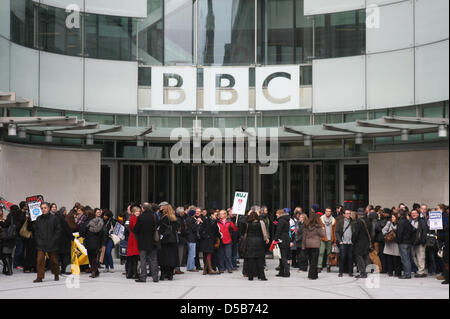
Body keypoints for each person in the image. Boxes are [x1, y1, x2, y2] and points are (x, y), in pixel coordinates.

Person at [33, 202, 61, 283]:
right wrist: (38, 240)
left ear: (48, 208)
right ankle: (40, 277)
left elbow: (58, 231)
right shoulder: (38, 219)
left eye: (45, 208)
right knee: (39, 260)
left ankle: (56, 274)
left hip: (52, 243)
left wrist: (54, 240)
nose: (43, 210)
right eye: (42, 208)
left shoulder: (54, 218)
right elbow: (36, 231)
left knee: (54, 260)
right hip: (41, 243)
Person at [134, 203, 159, 283]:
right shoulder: (154, 216)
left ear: (143, 209)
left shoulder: (141, 217)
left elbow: (136, 229)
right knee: (154, 259)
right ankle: (155, 277)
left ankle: (143, 277)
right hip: (153, 241)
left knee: (143, 260)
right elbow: (157, 226)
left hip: (143, 241)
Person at [244, 211, 269, 281]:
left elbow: (245, 232)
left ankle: (250, 276)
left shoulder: (247, 224)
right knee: (260, 260)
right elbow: (264, 233)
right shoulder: (261, 222)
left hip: (250, 242)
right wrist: (266, 239)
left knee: (250, 260)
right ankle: (262, 276)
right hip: (259, 242)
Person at [80, 207, 104, 278]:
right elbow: (101, 232)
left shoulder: (85, 223)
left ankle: (94, 271)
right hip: (96, 242)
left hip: (88, 242)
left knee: (91, 257)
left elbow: (81, 234)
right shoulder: (97, 222)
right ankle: (96, 271)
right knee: (94, 257)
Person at [0, 205, 24, 276]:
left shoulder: (11, 217)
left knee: (5, 254)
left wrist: (1, 222)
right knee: (9, 254)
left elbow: (4, 225)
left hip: (8, 238)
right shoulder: (19, 217)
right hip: (14, 237)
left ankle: (9, 271)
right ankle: (7, 269)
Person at [302, 213, 326, 280]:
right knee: (314, 261)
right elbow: (323, 235)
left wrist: (303, 245)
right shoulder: (318, 226)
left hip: (308, 244)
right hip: (315, 245)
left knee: (310, 260)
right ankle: (312, 275)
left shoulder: (306, 226)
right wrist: (323, 228)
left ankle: (314, 274)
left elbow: (304, 236)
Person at [158, 204, 179, 281]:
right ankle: (170, 275)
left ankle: (163, 275)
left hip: (165, 240)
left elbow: (161, 229)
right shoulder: (174, 218)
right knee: (172, 258)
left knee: (164, 258)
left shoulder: (164, 218)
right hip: (173, 240)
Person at [198, 210, 220, 275]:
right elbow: (200, 230)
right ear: (211, 215)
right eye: (215, 215)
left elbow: (216, 231)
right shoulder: (206, 220)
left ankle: (205, 270)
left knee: (208, 254)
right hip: (206, 240)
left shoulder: (214, 221)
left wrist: (220, 237)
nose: (217, 216)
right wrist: (205, 236)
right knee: (208, 254)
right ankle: (209, 269)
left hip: (211, 240)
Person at [352, 208, 371, 279]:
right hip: (366, 242)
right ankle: (365, 271)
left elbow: (355, 233)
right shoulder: (368, 221)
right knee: (365, 257)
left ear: (358, 214)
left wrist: (353, 240)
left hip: (359, 242)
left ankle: (362, 272)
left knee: (359, 257)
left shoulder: (359, 222)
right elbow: (371, 233)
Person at [217, 210, 237, 274]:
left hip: (228, 240)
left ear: (225, 215)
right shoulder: (217, 221)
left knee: (228, 255)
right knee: (221, 255)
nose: (220, 215)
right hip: (221, 240)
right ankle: (221, 268)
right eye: (220, 214)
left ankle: (229, 268)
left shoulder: (229, 221)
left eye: (222, 214)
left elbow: (235, 230)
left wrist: (235, 225)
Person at [396, 209, 415, 279]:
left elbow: (399, 233)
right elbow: (412, 230)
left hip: (403, 242)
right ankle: (408, 273)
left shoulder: (400, 222)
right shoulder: (407, 221)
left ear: (399, 214)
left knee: (405, 259)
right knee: (408, 258)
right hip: (408, 242)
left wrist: (398, 241)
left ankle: (407, 274)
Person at [335, 209, 354, 277]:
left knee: (350, 258)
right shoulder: (340, 222)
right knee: (342, 257)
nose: (348, 214)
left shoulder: (353, 222)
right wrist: (340, 241)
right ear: (344, 214)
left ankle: (350, 272)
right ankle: (340, 272)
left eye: (349, 213)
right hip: (343, 242)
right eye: (347, 213)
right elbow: (336, 232)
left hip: (350, 243)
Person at [56, 207, 74, 275]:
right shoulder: (64, 222)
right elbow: (68, 231)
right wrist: (73, 238)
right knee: (66, 257)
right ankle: (67, 270)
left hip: (57, 242)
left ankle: (58, 270)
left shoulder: (55, 222)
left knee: (58, 257)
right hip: (65, 242)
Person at [318, 208, 336, 273]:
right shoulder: (321, 219)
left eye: (329, 211)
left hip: (330, 238)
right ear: (325, 212)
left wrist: (334, 240)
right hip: (322, 238)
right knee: (321, 252)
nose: (328, 213)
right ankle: (319, 266)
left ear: (331, 212)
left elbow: (334, 231)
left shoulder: (333, 220)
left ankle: (328, 266)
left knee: (329, 253)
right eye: (327, 211)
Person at [411, 209, 428, 278]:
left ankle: (421, 271)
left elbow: (424, 232)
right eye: (412, 213)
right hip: (413, 242)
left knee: (421, 257)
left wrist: (423, 241)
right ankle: (420, 270)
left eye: (415, 213)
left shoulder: (422, 221)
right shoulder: (410, 221)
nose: (413, 214)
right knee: (414, 257)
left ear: (418, 214)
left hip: (420, 242)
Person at [274, 209, 291, 278]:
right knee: (283, 256)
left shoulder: (281, 221)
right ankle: (281, 272)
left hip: (282, 239)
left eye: (277, 213)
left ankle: (287, 272)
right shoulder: (286, 220)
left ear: (280, 214)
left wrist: (275, 239)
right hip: (286, 238)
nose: (276, 214)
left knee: (283, 256)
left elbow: (278, 231)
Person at [126, 206, 141, 279]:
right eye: (136, 211)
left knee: (132, 257)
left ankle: (130, 273)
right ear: (133, 212)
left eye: (139, 211)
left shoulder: (133, 218)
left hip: (132, 237)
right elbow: (135, 228)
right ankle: (134, 273)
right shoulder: (134, 218)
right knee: (134, 257)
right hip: (134, 238)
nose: (138, 212)